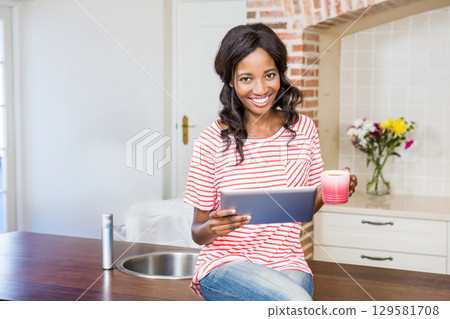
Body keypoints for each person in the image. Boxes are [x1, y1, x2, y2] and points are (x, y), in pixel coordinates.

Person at [184, 23, 357, 301]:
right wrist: (211, 227)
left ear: (280, 74)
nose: (261, 88)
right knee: (297, 303)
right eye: (246, 78)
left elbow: (302, 209)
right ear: (230, 80)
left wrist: (331, 191)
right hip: (225, 265)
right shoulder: (211, 141)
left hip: (287, 261)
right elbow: (198, 232)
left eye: (269, 75)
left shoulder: (304, 130)